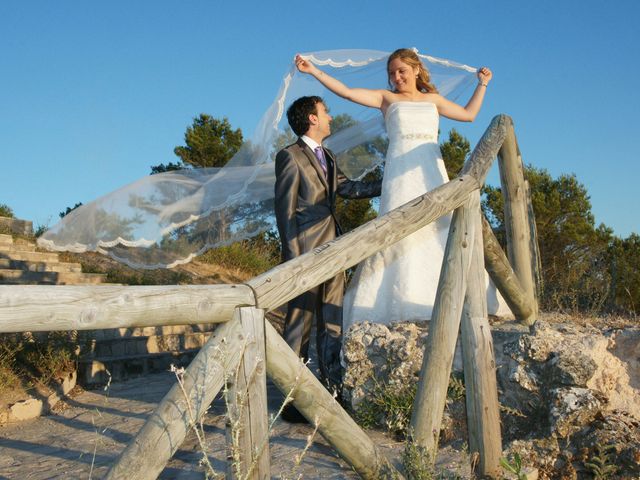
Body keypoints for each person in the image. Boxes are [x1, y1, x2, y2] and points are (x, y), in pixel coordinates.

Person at [295, 48, 510, 330]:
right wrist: (314, 71)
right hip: (399, 176)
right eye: (392, 73)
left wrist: (482, 84)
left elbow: (469, 115)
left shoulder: (433, 100)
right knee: (395, 231)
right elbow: (347, 92)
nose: (396, 78)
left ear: (416, 70)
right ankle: (396, 301)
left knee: (441, 228)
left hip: (430, 171)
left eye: (402, 71)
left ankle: (457, 298)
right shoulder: (387, 99)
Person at [274, 96, 382, 414]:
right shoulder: (289, 156)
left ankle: (332, 393)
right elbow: (284, 211)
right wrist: (294, 260)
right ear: (312, 118)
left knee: (332, 322)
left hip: (334, 250)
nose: (331, 117)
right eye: (325, 112)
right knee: (299, 325)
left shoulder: (330, 156)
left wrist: (389, 180)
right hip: (304, 252)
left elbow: (347, 189)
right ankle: (291, 400)